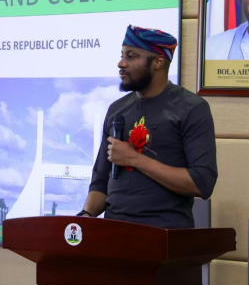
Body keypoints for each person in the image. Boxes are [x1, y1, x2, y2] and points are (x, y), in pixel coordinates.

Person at [77, 25, 217, 229]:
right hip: (113, 234)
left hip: (165, 236)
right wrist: (86, 215)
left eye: (131, 57)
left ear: (158, 62)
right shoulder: (117, 109)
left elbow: (202, 182)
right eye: (122, 55)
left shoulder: (191, 108)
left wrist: (134, 159)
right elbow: (100, 182)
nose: (121, 63)